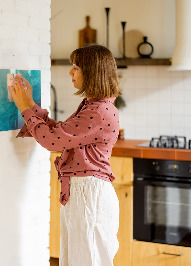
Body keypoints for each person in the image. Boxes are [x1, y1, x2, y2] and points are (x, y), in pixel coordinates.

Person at [9, 44, 121, 266]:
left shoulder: (98, 111)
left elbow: (52, 141)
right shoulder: (94, 106)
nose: (70, 72)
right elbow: (60, 133)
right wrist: (30, 104)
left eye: (76, 67)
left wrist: (24, 107)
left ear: (92, 72)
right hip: (84, 193)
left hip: (89, 195)